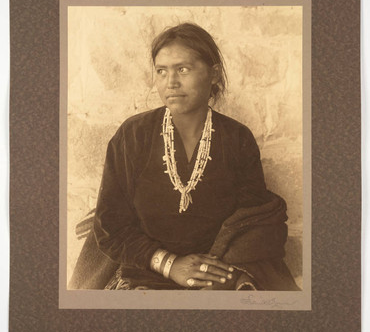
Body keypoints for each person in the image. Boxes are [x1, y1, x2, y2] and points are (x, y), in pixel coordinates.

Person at [69, 22, 299, 291]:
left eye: (183, 69)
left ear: (213, 75)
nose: (171, 82)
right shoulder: (132, 136)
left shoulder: (237, 139)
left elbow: (252, 220)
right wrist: (170, 264)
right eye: (161, 71)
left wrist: (214, 271)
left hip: (218, 273)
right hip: (145, 271)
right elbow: (110, 224)